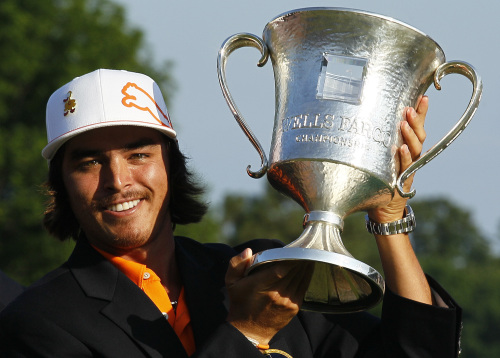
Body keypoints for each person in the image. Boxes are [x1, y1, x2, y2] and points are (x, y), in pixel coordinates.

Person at [0, 69, 461, 357]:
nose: (117, 180)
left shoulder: (266, 271)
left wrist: (389, 212)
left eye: (138, 154)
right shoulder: (38, 323)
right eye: (89, 162)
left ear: (171, 168)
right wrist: (247, 332)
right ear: (61, 184)